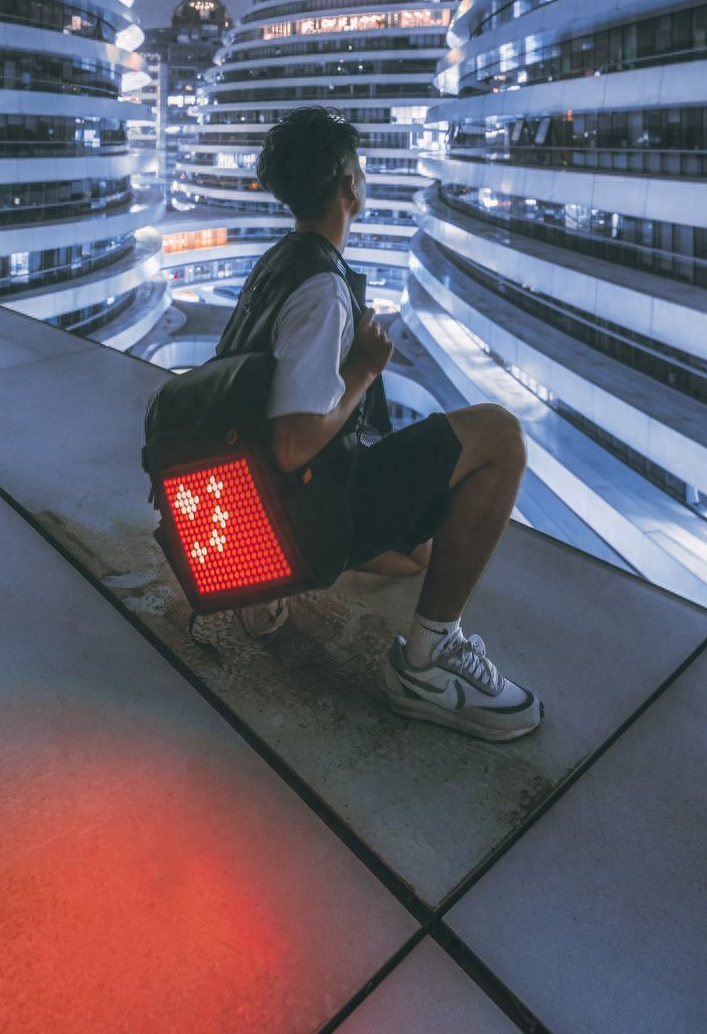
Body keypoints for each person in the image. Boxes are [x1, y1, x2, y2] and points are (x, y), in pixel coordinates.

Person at [213, 105, 543, 742]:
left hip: (250, 505)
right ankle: (426, 665)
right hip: (296, 505)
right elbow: (291, 444)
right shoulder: (322, 291)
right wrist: (364, 369)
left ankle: (269, 580)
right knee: (500, 434)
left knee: (420, 554)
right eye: (358, 167)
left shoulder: (278, 263)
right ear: (349, 186)